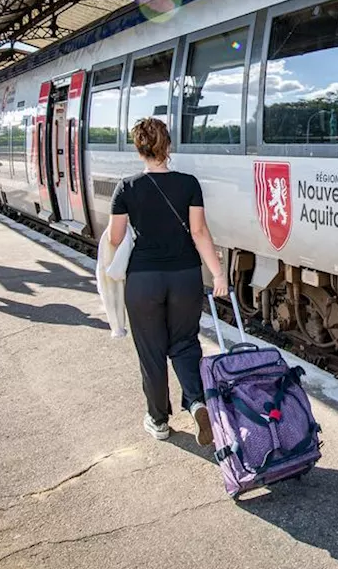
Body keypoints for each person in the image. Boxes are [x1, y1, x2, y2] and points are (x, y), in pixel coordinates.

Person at [107, 117, 228, 444]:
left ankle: (158, 420)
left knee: (152, 351)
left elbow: (116, 238)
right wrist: (217, 273)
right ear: (168, 146)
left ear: (139, 148)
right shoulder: (189, 183)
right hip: (185, 276)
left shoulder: (127, 187)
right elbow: (200, 232)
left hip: (144, 280)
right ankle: (198, 403)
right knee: (186, 343)